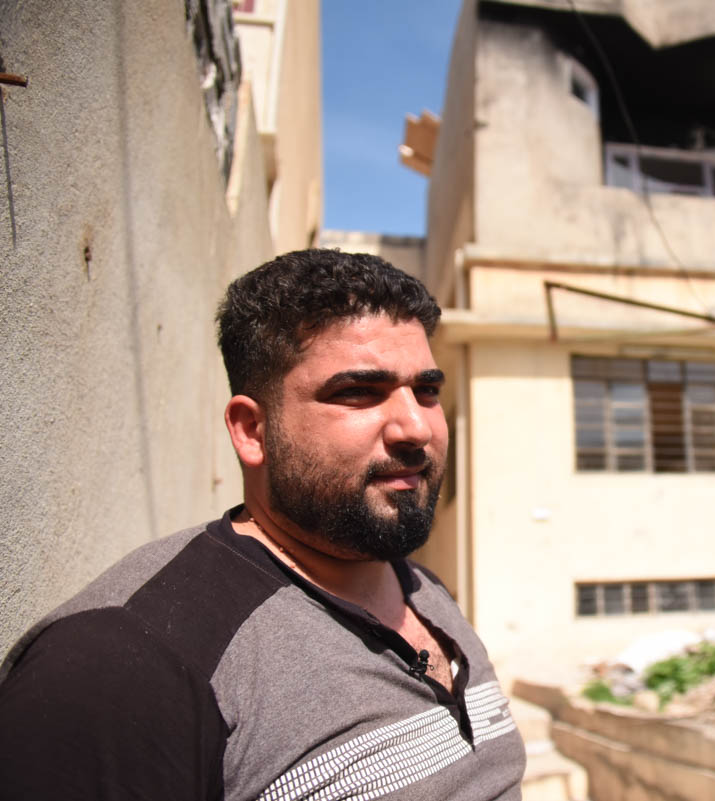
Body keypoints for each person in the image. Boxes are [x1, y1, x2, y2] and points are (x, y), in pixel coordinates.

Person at [0, 250, 526, 800]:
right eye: (357, 392)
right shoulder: (126, 665)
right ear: (252, 430)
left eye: (426, 391)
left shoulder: (424, 589)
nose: (416, 427)